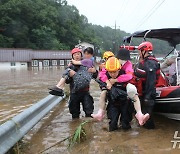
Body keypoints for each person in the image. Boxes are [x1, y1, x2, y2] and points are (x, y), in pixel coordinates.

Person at [92, 49, 149, 126]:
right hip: (113, 99)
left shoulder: (128, 65)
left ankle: (139, 114)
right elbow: (102, 74)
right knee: (112, 123)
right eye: (121, 59)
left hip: (125, 98)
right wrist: (108, 82)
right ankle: (100, 112)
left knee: (126, 123)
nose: (123, 61)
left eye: (115, 72)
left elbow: (129, 76)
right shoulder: (111, 63)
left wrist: (115, 80)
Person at [65, 47, 97, 119]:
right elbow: (66, 81)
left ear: (81, 55)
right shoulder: (70, 66)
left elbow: (95, 76)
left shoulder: (87, 64)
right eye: (75, 54)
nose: (77, 56)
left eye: (78, 54)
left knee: (89, 111)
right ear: (72, 56)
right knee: (74, 114)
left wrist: (94, 72)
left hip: (85, 92)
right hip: (74, 92)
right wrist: (70, 76)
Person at [134, 41, 160, 129]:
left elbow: (151, 81)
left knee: (147, 117)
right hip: (144, 91)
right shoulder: (146, 61)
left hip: (148, 92)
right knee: (144, 116)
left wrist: (147, 97)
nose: (138, 53)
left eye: (139, 51)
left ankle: (151, 135)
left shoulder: (150, 64)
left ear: (144, 51)